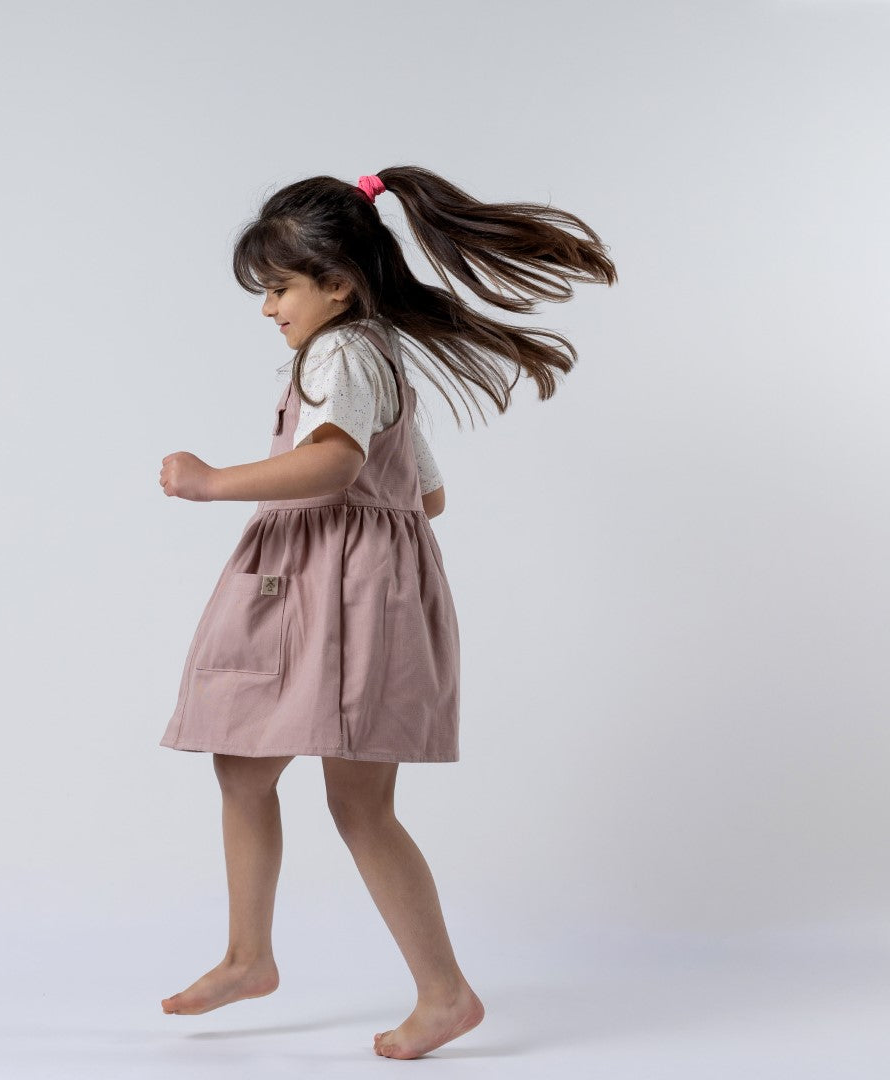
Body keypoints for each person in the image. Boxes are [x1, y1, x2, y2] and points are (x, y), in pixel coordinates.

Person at [156, 165, 617, 1059]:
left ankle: (436, 992)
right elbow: (426, 497)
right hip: (356, 586)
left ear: (338, 281)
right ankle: (252, 955)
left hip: (334, 592)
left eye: (280, 289)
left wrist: (215, 482)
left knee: (344, 799)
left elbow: (332, 464)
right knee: (253, 767)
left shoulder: (341, 354)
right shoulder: (374, 356)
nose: (268, 309)